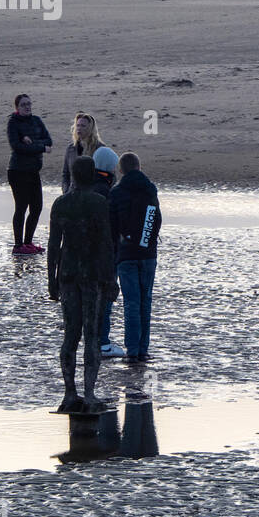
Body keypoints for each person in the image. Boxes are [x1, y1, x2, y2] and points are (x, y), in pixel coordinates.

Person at [48, 156, 118, 413]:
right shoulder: (99, 203)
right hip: (91, 275)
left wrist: (51, 280)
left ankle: (69, 394)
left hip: (67, 275)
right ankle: (88, 394)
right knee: (91, 334)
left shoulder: (61, 203)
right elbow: (106, 244)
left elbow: (54, 246)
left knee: (70, 334)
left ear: (73, 175)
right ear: (91, 175)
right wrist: (110, 279)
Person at [109, 151, 161, 365]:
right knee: (145, 301)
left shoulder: (116, 192)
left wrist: (120, 244)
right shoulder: (150, 189)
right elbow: (155, 218)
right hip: (147, 253)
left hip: (126, 254)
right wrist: (146, 241)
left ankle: (132, 350)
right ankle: (143, 349)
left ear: (120, 170)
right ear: (139, 167)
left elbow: (113, 226)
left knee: (131, 302)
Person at [6, 93, 53, 255]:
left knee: (37, 207)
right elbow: (17, 147)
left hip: (33, 171)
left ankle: (28, 242)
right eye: (24, 105)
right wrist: (39, 147)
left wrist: (33, 143)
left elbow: (49, 142)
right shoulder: (13, 123)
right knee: (21, 207)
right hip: (18, 171)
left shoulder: (36, 121)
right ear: (17, 108)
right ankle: (18, 245)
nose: (27, 107)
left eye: (29, 104)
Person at [91, 146, 125, 358]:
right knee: (104, 300)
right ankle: (102, 343)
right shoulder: (107, 193)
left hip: (85, 255)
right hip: (106, 255)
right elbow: (112, 229)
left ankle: (91, 342)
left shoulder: (86, 187)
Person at [62, 112, 105, 194]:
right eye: (77, 125)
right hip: (72, 194)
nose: (79, 128)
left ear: (90, 128)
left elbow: (108, 176)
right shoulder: (71, 149)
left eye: (83, 126)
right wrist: (66, 191)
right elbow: (65, 174)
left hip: (92, 195)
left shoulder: (100, 149)